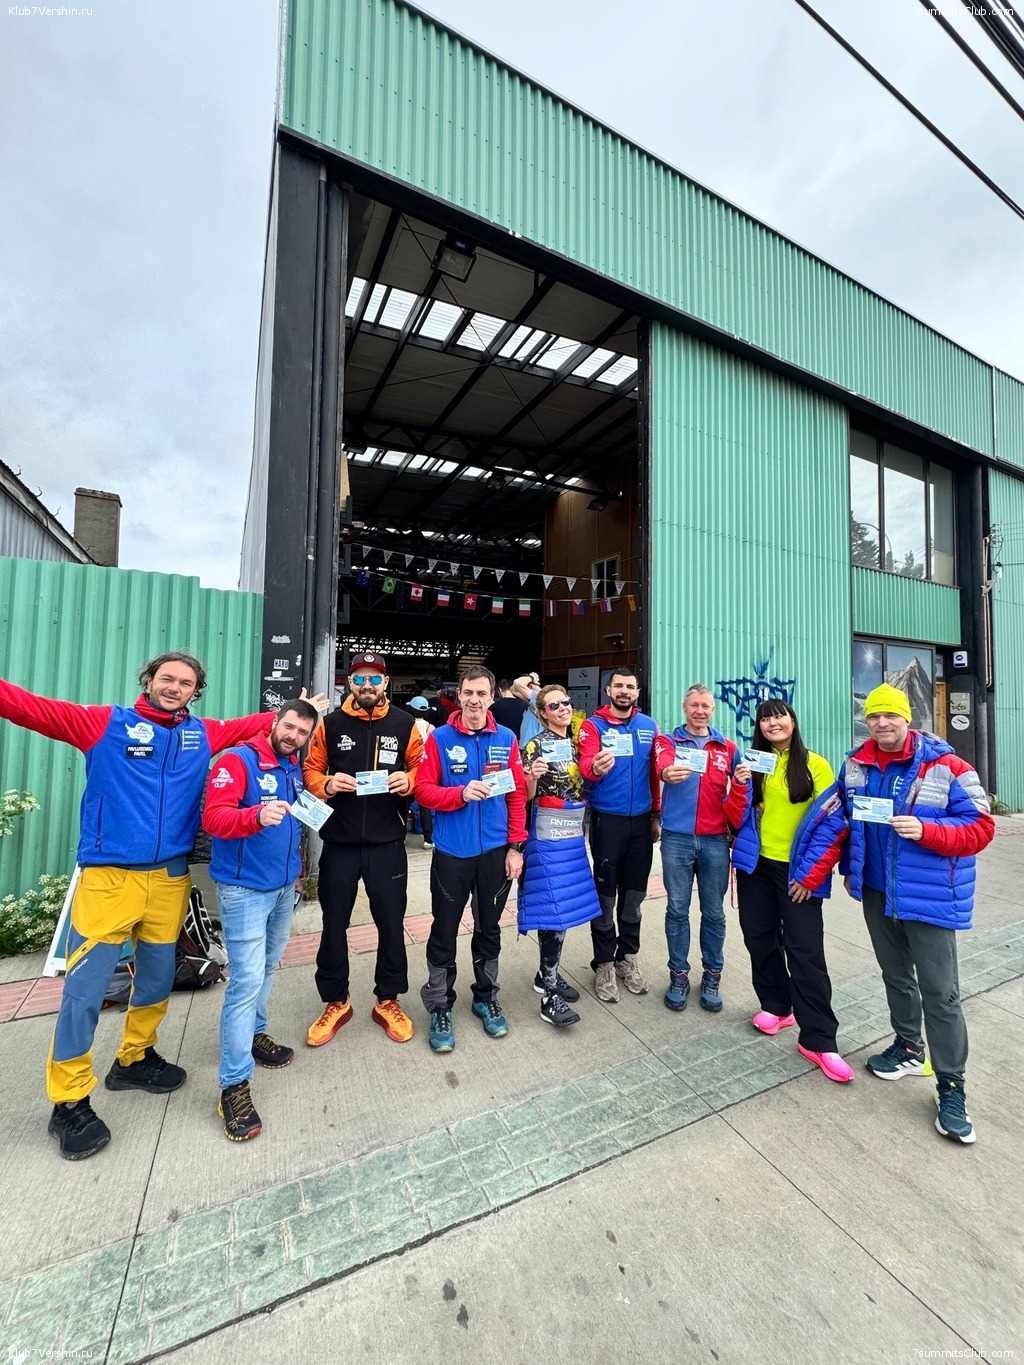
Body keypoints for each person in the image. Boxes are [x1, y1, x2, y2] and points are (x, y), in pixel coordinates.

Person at [0, 653, 326, 1161]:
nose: (175, 688)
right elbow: (28, 707)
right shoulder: (104, 724)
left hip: (170, 876)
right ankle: (69, 1100)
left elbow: (257, 726)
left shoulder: (203, 734)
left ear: (196, 691)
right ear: (149, 680)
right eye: (167, 679)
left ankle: (134, 1058)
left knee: (156, 979)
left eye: (186, 683)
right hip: (109, 878)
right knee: (85, 993)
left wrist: (299, 711)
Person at [838, 683, 994, 1143]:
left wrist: (927, 829)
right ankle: (908, 1047)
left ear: (908, 718)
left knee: (941, 994)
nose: (882, 723)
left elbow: (981, 827)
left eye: (890, 715)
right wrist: (836, 869)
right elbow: (841, 820)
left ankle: (951, 1085)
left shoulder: (948, 766)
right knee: (896, 977)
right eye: (874, 716)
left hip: (928, 897)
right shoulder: (855, 765)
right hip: (876, 892)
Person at [202, 698, 319, 1141]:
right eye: (288, 727)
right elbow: (213, 818)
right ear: (275, 722)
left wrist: (297, 873)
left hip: (283, 887)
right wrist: (254, 816)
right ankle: (233, 1085)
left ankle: (254, 1034)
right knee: (246, 982)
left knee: (268, 968)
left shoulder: (291, 766)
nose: (293, 737)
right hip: (245, 891)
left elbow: (295, 822)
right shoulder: (237, 760)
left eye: (302, 733)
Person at [302, 652, 424, 1047]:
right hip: (339, 842)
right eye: (360, 679)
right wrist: (326, 784)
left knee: (391, 923)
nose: (367, 686)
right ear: (349, 683)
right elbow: (310, 770)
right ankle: (336, 1001)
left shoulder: (405, 723)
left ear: (385, 683)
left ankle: (387, 999)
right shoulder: (330, 724)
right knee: (333, 924)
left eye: (374, 679)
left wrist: (409, 780)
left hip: (388, 843)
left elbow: (423, 768)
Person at [732, 699, 853, 1083]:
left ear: (793, 720)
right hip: (755, 866)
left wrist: (810, 875)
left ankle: (820, 1039)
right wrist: (738, 787)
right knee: (759, 938)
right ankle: (777, 1006)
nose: (772, 723)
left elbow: (832, 824)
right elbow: (737, 817)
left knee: (805, 951)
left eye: (779, 715)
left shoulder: (816, 764)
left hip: (797, 872)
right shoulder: (755, 762)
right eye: (765, 718)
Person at [415, 666, 528, 1051]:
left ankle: (485, 996)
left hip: (495, 853)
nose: (474, 700)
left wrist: (515, 847)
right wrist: (459, 794)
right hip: (452, 854)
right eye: (468, 693)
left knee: (489, 929)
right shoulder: (440, 739)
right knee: (444, 930)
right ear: (459, 696)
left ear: (493, 697)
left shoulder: (507, 738)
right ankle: (439, 1004)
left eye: (482, 693)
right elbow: (423, 791)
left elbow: (516, 795)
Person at [654, 684, 750, 1013]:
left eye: (705, 706)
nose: (699, 711)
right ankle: (679, 975)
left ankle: (712, 976)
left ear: (713, 710)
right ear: (684, 707)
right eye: (694, 705)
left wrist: (742, 789)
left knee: (714, 913)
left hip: (715, 840)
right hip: (677, 839)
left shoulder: (728, 747)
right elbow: (663, 764)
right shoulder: (668, 741)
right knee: (677, 910)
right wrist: (668, 772)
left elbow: (742, 790)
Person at [519, 684, 601, 1027]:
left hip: (572, 833)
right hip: (545, 834)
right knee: (552, 911)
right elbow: (524, 795)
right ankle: (549, 996)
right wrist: (531, 776)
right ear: (542, 713)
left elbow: (587, 782)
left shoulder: (579, 742)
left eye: (565, 702)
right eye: (554, 705)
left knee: (563, 909)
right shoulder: (534, 746)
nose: (563, 708)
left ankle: (545, 974)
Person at [577, 668, 661, 1002]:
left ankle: (627, 958)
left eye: (630, 687)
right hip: (606, 821)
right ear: (608, 690)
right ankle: (604, 963)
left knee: (634, 897)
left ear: (637, 693)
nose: (624, 691)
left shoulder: (649, 726)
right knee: (605, 897)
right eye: (618, 686)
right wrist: (594, 769)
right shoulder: (592, 726)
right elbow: (586, 763)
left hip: (641, 822)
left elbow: (654, 774)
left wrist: (656, 813)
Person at [407, 696, 436, 848]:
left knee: (403, 803)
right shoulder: (430, 728)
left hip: (407, 771)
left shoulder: (405, 725)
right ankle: (428, 839)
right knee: (425, 805)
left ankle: (401, 836)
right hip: (424, 770)